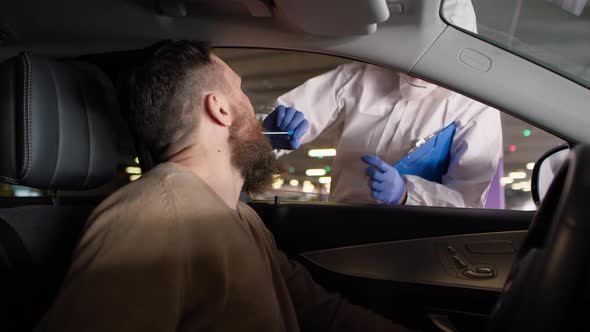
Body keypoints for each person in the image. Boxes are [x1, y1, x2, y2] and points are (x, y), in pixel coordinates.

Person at [35, 41, 411, 332]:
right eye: (241, 92)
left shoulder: (241, 215)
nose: (251, 105)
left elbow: (318, 312)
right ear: (220, 108)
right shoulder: (151, 216)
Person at [261, 0, 502, 208]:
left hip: (419, 236)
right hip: (344, 222)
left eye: (436, 54)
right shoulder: (361, 77)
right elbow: (278, 121)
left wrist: (407, 194)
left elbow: (467, 200)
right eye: (416, 49)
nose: (421, 66)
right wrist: (269, 133)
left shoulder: (475, 106)